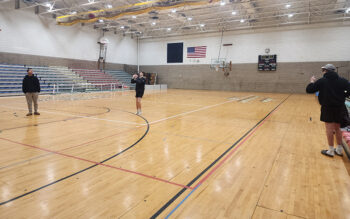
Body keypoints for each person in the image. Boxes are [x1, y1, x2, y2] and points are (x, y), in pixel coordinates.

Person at [306, 64, 350, 157]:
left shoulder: (322, 81)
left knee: (329, 129)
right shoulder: (343, 81)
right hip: (340, 107)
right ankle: (339, 149)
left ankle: (330, 151)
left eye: (323, 70)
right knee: (338, 128)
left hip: (327, 108)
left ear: (325, 71)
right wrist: (342, 96)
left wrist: (312, 82)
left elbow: (309, 90)